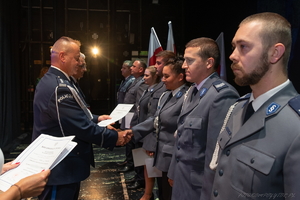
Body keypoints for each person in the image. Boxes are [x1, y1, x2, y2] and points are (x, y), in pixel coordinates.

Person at [209, 12, 300, 200]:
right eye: (234, 47)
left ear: (275, 53)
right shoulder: (238, 108)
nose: (232, 56)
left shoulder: (296, 125)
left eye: (243, 47)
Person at [32, 36, 130, 200]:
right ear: (62, 57)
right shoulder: (59, 87)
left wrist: (97, 120)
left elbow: (75, 116)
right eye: (77, 58)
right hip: (60, 168)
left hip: (62, 166)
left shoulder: (59, 81)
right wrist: (114, 137)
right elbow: (79, 126)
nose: (79, 62)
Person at [167, 37, 239, 200]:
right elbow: (180, 138)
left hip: (199, 189)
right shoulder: (192, 91)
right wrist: (173, 172)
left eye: (190, 61)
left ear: (209, 63)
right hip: (181, 180)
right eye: (184, 60)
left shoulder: (221, 96)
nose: (184, 65)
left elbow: (216, 156)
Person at [128, 58, 189, 200]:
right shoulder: (165, 95)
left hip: (173, 159)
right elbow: (155, 120)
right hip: (161, 156)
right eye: (162, 76)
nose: (162, 80)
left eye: (167, 76)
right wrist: (132, 131)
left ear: (180, 77)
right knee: (163, 192)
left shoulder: (187, 97)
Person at [125, 51, 176, 191]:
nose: (155, 65)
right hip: (143, 130)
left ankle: (145, 188)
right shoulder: (158, 88)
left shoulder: (165, 88)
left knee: (161, 182)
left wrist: (149, 141)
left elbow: (156, 117)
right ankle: (141, 181)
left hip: (156, 138)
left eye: (159, 63)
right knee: (146, 168)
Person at [125, 65, 160, 191]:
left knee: (146, 160)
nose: (144, 78)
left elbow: (152, 114)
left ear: (155, 76)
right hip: (140, 127)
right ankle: (138, 177)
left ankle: (142, 182)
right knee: (139, 156)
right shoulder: (146, 88)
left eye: (147, 75)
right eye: (144, 75)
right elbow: (138, 108)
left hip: (147, 129)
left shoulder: (157, 90)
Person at [118, 59, 147, 173]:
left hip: (134, 117)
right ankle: (131, 165)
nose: (131, 68)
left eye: (134, 66)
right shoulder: (134, 81)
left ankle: (137, 173)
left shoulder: (142, 83)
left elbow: (139, 103)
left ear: (141, 70)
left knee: (135, 145)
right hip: (128, 115)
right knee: (130, 143)